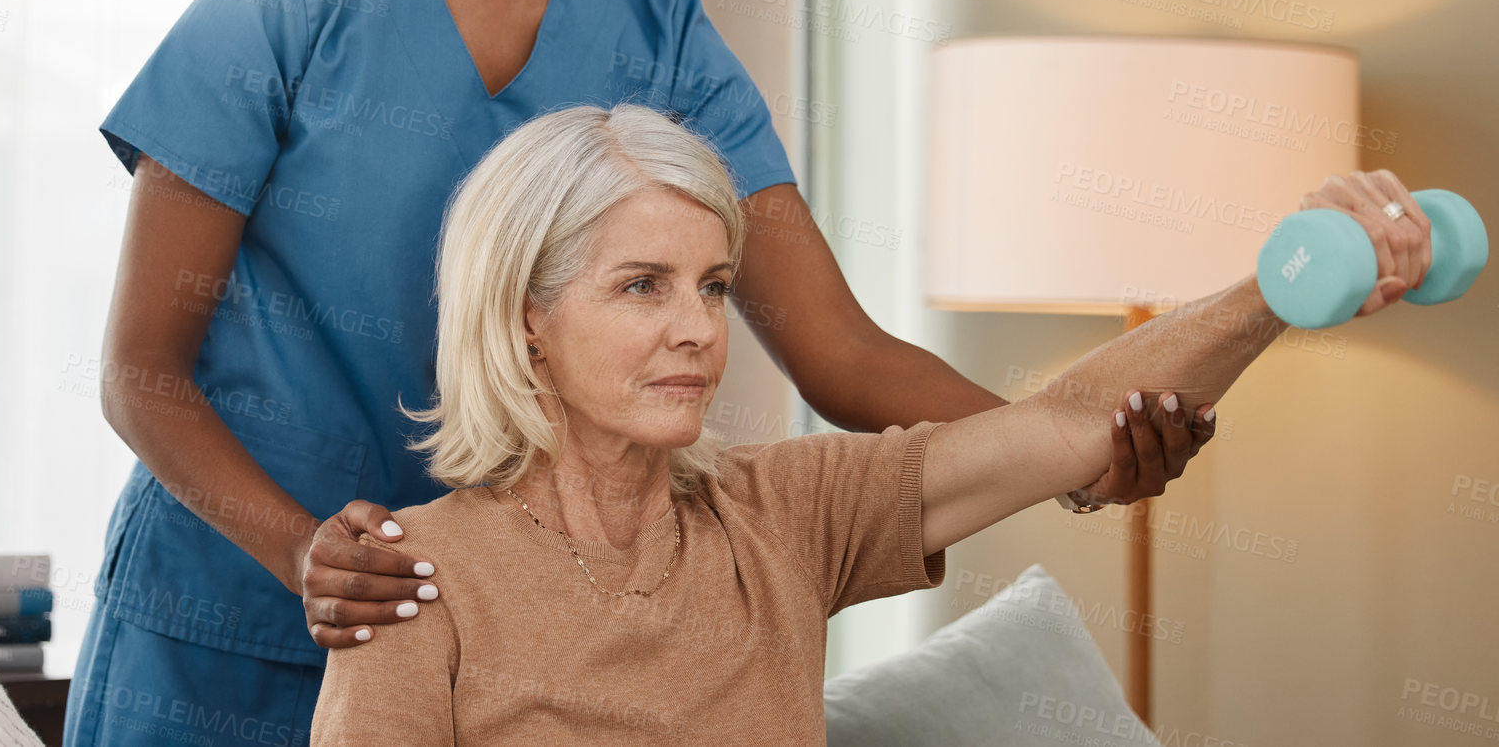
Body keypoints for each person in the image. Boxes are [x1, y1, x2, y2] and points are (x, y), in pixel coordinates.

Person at [63, 0, 1217, 747]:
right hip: (216, 628)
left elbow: (839, 353)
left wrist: (1075, 451)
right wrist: (301, 550)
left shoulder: (659, 30)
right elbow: (140, 370)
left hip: (495, 643)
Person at [307, 104, 1431, 744]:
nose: (698, 329)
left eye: (711, 285)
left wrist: (1278, 284)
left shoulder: (783, 509)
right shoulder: (407, 579)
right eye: (641, 286)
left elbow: (1067, 423)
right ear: (525, 319)